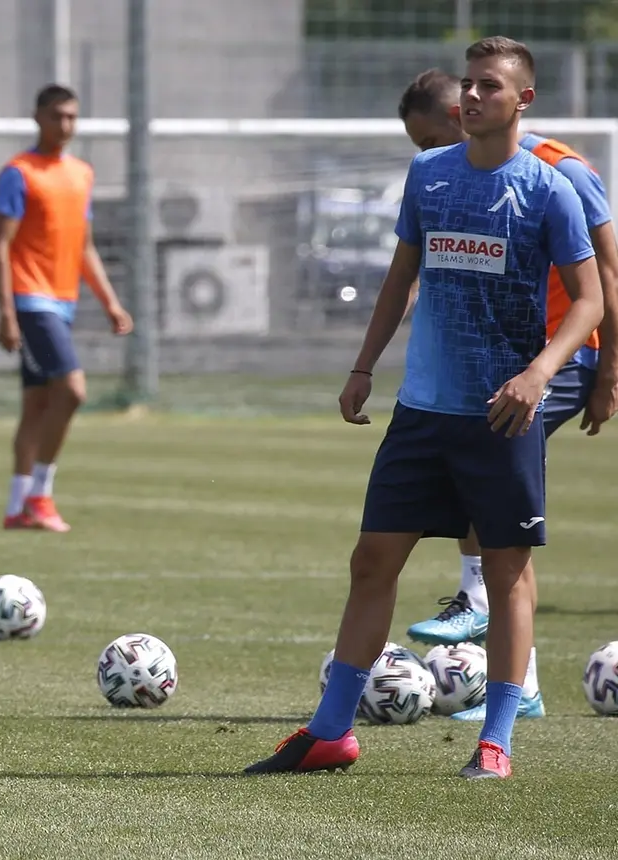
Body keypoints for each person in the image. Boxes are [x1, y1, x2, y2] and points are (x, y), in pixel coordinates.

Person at [244, 37, 603, 780]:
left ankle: (495, 742)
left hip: (501, 415)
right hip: (422, 411)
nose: (472, 96)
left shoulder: (550, 189)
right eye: (468, 84)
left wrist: (540, 373)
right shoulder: (428, 174)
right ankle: (331, 732)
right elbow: (401, 273)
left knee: (506, 574)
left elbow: (591, 299)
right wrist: (363, 366)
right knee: (372, 561)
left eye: (489, 86)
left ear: (523, 100)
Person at [396, 68, 618, 722]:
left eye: (428, 140)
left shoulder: (557, 170)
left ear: (460, 116)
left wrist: (610, 372)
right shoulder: (456, 177)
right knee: (494, 499)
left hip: (565, 357)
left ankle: (478, 606)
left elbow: (608, 273)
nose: (428, 156)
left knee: (488, 474)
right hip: (505, 362)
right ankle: (523, 684)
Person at [0, 83, 134, 532]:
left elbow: (85, 246)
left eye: (72, 116)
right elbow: (0, 246)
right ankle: (41, 495)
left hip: (64, 301)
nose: (65, 125)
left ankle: (17, 507)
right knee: (72, 391)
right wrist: (7, 313)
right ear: (38, 117)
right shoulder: (19, 173)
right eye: (56, 116)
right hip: (31, 300)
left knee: (37, 404)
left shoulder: (81, 174)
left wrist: (110, 302)